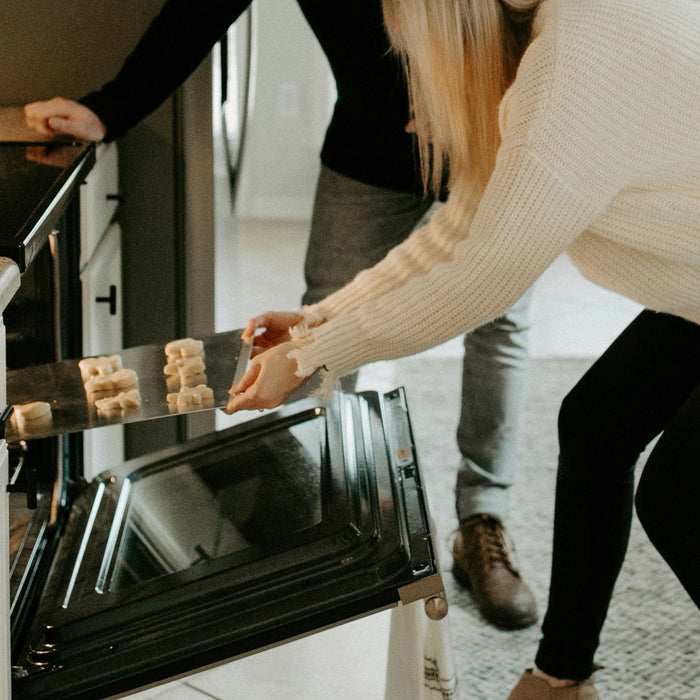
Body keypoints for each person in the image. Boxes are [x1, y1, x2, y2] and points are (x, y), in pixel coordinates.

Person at [220, 0, 700, 697]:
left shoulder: (574, 60)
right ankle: (561, 680)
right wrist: (318, 322)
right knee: (598, 423)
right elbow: (458, 235)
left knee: (681, 494)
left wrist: (314, 358)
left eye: (415, 60)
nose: (415, 91)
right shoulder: (545, 37)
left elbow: (485, 275)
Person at [24, 1, 537, 629]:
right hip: (369, 147)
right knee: (321, 316)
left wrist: (500, 103)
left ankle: (482, 519)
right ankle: (317, 509)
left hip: (494, 134)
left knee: (501, 321)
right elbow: (196, 12)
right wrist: (111, 107)